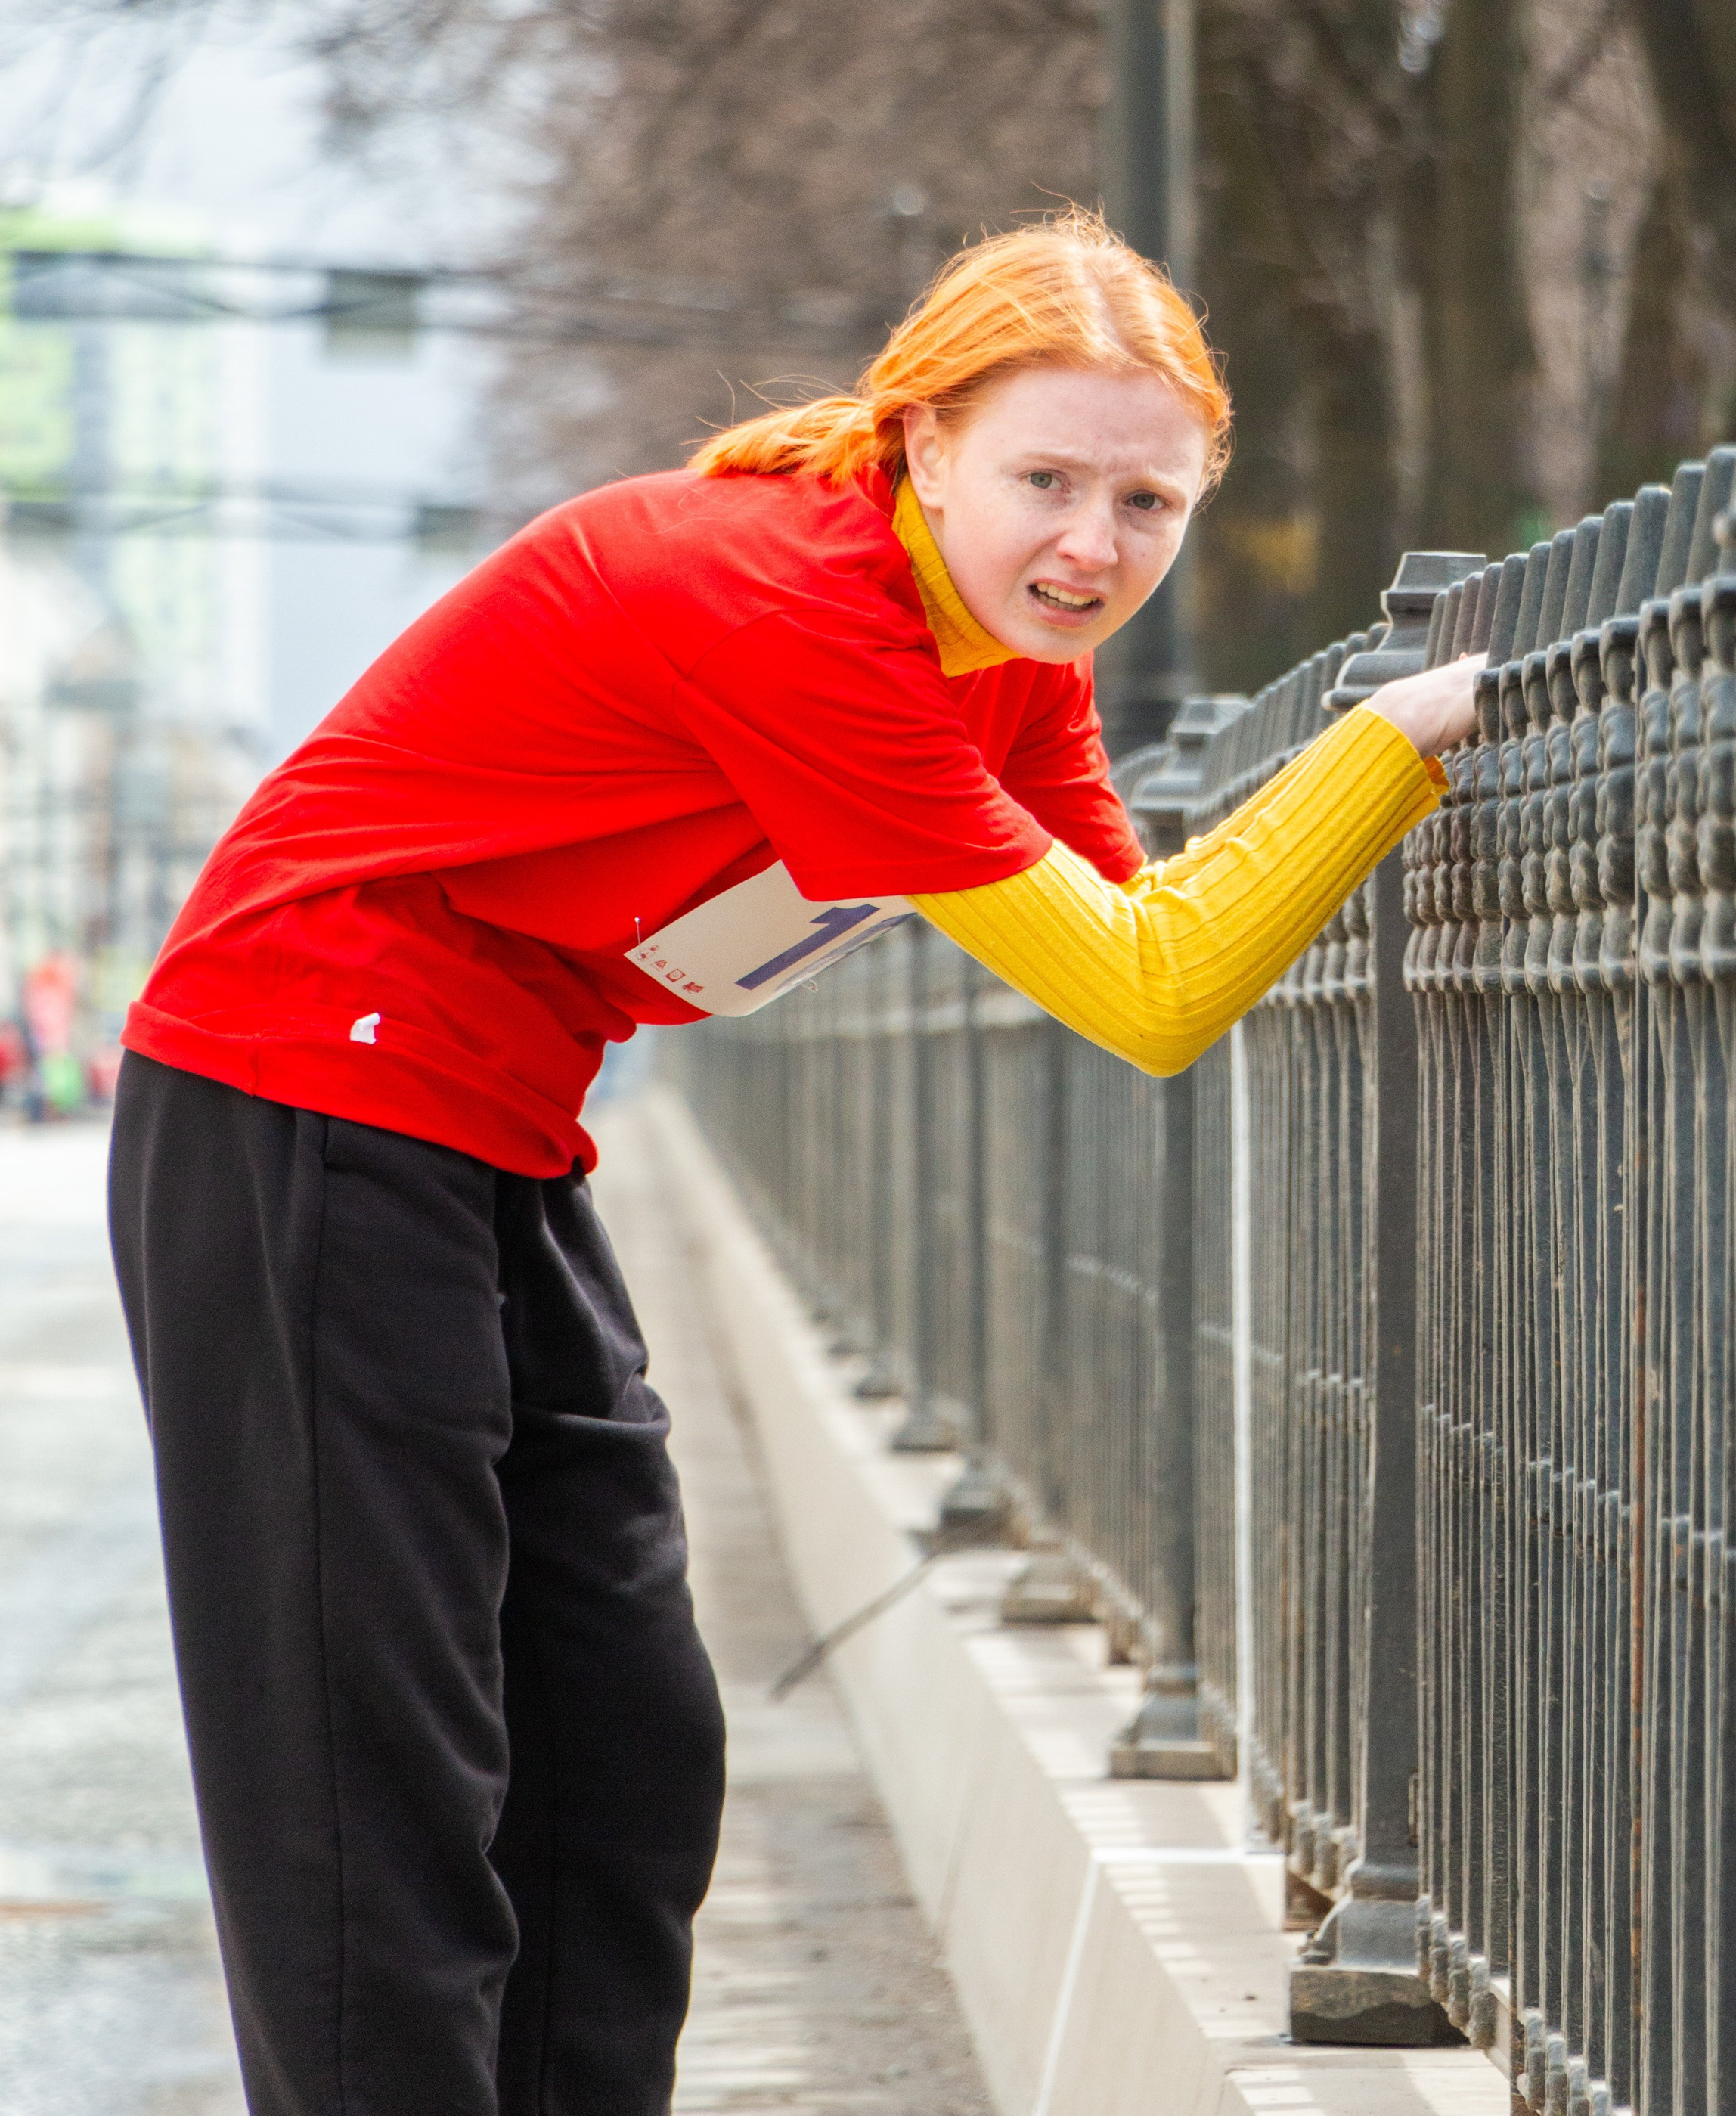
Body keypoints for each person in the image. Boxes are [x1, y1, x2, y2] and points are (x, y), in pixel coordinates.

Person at [107, 210, 1480, 2116]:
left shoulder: (999, 657)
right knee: (374, 1782)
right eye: (1045, 479)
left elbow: (1139, 919)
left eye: (1147, 503)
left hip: (497, 1114)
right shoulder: (792, 601)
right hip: (298, 1091)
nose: (1091, 544)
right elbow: (1157, 991)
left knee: (622, 1738)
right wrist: (1389, 748)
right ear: (921, 443)